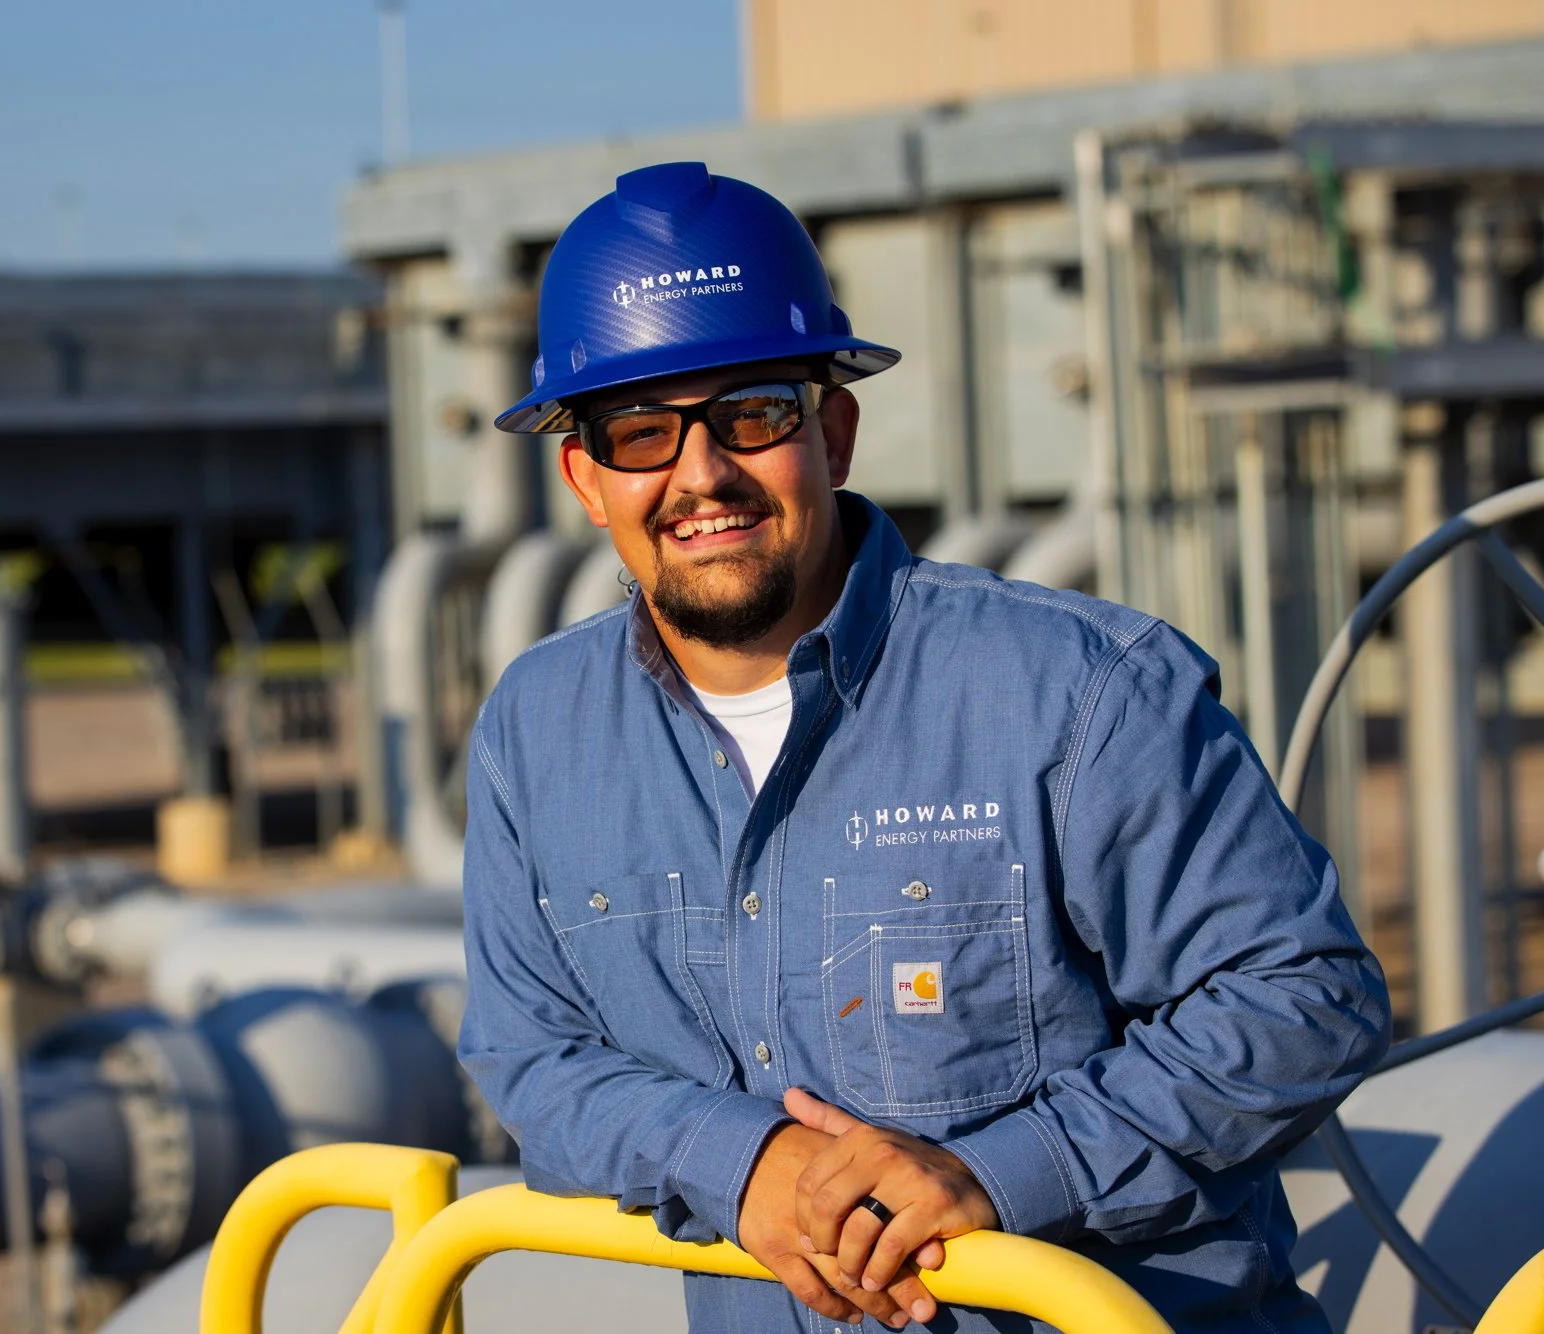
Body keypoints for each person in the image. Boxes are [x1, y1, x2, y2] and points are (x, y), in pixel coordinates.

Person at [455, 161, 1391, 1334]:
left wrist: (1004, 1171)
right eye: (639, 431)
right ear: (583, 477)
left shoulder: (1079, 689)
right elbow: (529, 1058)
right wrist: (747, 1165)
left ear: (832, 430)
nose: (701, 475)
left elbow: (1304, 993)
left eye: (752, 412)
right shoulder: (536, 733)